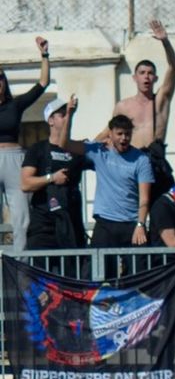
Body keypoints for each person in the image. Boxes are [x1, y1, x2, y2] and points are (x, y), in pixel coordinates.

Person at [106, 20, 175, 193]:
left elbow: (174, 66)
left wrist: (165, 42)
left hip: (156, 164)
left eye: (150, 73)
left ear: (155, 78)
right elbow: (110, 135)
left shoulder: (160, 100)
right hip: (131, 164)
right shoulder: (123, 106)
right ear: (134, 78)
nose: (146, 77)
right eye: (142, 73)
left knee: (163, 213)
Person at [0, 36, 50, 251]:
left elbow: (42, 84)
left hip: (14, 160)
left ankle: (20, 270)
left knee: (21, 218)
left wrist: (44, 55)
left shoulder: (15, 105)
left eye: (0, 78)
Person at [20, 97, 88, 253]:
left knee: (72, 274)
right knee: (42, 275)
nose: (67, 117)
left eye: (69, 114)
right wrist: (51, 178)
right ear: (50, 120)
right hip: (44, 226)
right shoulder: (38, 149)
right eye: (63, 114)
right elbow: (25, 183)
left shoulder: (76, 149)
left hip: (71, 224)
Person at [82, 115, 153, 252]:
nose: (124, 138)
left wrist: (140, 224)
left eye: (127, 134)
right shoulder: (100, 152)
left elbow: (144, 198)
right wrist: (69, 115)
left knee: (140, 268)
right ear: (111, 133)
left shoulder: (141, 159)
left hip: (131, 223)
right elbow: (66, 144)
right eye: (119, 133)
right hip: (105, 222)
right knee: (99, 268)